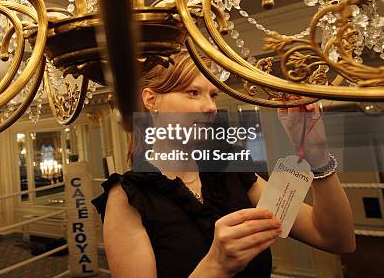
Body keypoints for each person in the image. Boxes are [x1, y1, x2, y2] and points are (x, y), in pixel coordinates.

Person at [92, 51, 355, 277]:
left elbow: (335, 238)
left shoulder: (229, 171)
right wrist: (215, 266)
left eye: (213, 95)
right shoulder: (128, 198)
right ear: (151, 100)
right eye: (193, 93)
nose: (209, 107)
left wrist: (316, 154)